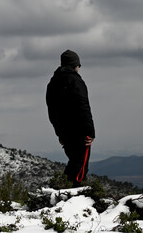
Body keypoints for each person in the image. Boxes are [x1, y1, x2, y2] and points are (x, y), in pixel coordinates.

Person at [46, 50, 95, 187]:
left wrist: (59, 133)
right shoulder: (76, 81)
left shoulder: (53, 83)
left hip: (64, 133)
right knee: (80, 168)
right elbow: (83, 107)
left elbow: (52, 110)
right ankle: (74, 196)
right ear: (75, 65)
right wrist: (90, 132)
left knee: (74, 162)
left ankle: (63, 190)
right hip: (80, 132)